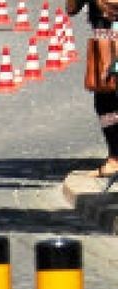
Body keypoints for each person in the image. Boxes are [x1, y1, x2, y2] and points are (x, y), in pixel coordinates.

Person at [69, 0, 118, 176]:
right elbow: (72, 8)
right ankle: (114, 156)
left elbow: (72, 8)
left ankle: (115, 158)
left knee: (105, 103)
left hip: (107, 38)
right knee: (105, 103)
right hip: (105, 38)